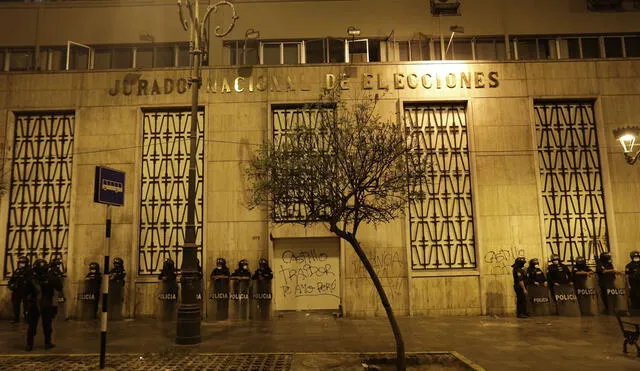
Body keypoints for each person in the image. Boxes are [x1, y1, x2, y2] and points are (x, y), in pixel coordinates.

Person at [25, 259, 62, 351]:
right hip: (42, 303)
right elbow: (59, 286)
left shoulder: (35, 278)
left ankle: (32, 344)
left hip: (39, 303)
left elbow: (25, 292)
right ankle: (45, 343)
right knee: (43, 325)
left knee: (36, 325)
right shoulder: (37, 278)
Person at [8, 256, 30, 323]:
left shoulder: (29, 270)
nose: (21, 264)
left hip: (25, 291)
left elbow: (30, 281)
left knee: (26, 305)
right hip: (17, 291)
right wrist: (11, 285)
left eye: (23, 262)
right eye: (20, 262)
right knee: (16, 305)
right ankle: (16, 318)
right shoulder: (17, 270)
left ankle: (27, 318)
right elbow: (12, 279)